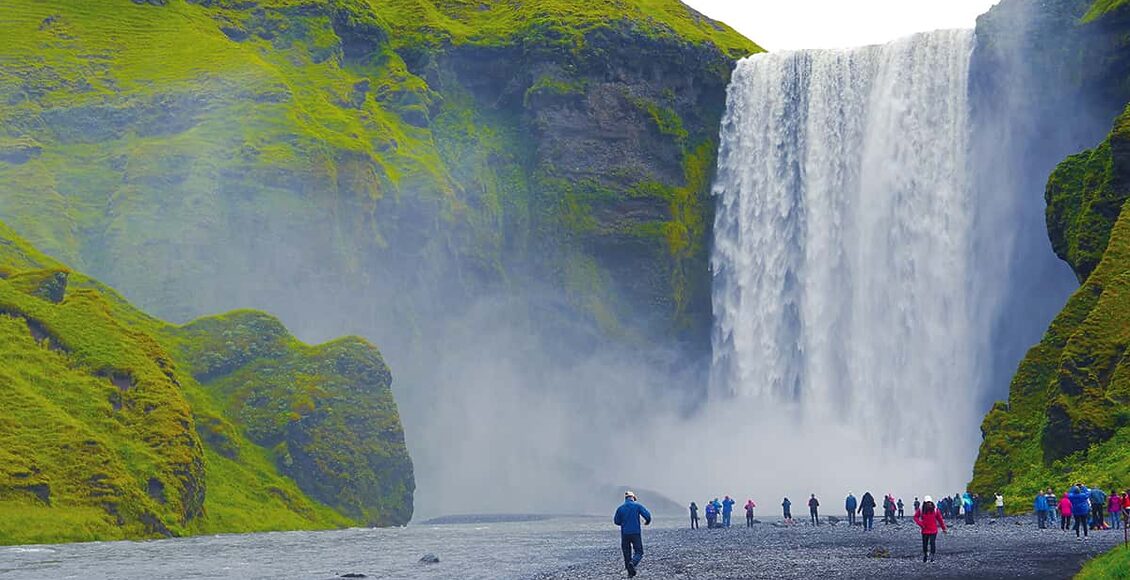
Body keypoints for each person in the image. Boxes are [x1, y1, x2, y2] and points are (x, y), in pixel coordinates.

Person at [613, 491, 652, 578]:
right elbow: (647, 515)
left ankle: (629, 572)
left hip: (625, 533)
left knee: (626, 552)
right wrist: (647, 522)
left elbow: (616, 521)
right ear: (633, 498)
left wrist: (624, 523)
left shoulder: (620, 508)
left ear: (625, 498)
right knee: (639, 551)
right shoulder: (637, 506)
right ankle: (633, 563)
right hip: (636, 533)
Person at [913, 495, 947, 563]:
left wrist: (944, 528)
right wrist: (921, 524)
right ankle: (925, 554)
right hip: (925, 530)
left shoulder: (935, 510)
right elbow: (915, 517)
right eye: (927, 502)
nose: (929, 504)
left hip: (933, 530)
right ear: (925, 503)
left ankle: (932, 556)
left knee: (932, 543)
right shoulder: (921, 510)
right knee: (925, 544)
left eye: (930, 502)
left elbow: (940, 519)